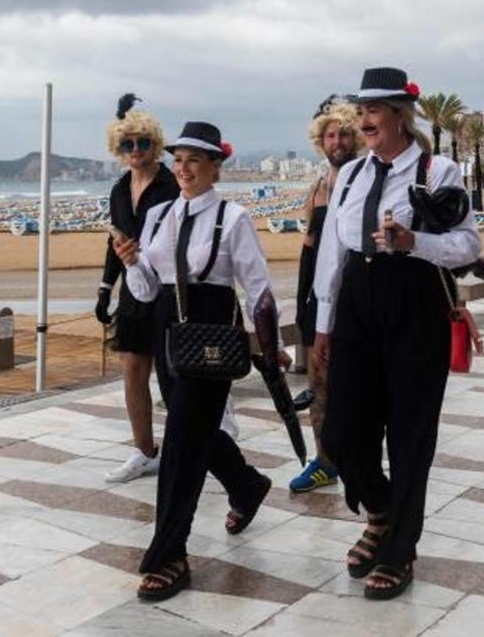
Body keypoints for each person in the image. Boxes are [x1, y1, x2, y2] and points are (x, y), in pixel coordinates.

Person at [313, 67, 482, 600]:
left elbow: (469, 246)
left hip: (413, 301)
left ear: (400, 116)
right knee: (341, 432)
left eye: (372, 110)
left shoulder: (439, 170)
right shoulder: (353, 175)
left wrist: (415, 243)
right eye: (359, 110)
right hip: (358, 302)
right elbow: (333, 253)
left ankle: (399, 549)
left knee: (410, 436)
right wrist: (323, 324)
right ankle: (382, 510)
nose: (363, 119)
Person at [113, 121, 287, 602]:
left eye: (194, 160)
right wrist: (131, 262)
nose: (183, 168)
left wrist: (270, 342)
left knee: (183, 443)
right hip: (168, 329)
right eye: (179, 159)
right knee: (198, 430)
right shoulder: (160, 216)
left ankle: (170, 553)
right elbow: (148, 289)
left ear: (215, 167)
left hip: (211, 333)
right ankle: (247, 485)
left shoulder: (232, 218)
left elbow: (257, 285)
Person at [97, 95, 179, 483]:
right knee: (132, 369)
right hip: (132, 290)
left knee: (172, 376)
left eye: (142, 143)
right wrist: (104, 287)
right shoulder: (118, 189)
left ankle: (184, 450)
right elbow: (115, 241)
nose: (135, 150)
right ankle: (144, 450)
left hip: (168, 291)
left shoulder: (171, 184)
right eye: (127, 144)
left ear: (155, 145)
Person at [289, 97, 363, 493]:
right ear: (321, 141)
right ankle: (324, 461)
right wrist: (304, 305)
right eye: (331, 135)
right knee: (319, 383)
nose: (338, 141)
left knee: (353, 383)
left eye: (344, 134)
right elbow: (309, 246)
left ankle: (355, 457)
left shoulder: (363, 180)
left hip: (355, 297)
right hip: (318, 298)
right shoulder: (318, 187)